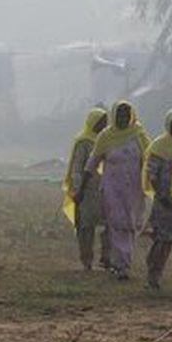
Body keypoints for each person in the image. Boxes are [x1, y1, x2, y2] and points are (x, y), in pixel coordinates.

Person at [81, 101, 149, 281]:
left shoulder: (139, 135)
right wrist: (81, 188)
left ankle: (121, 260)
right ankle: (122, 266)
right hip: (112, 189)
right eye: (119, 116)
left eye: (126, 116)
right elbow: (92, 162)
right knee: (118, 224)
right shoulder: (106, 136)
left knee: (130, 225)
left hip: (134, 189)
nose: (123, 119)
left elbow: (149, 159)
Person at [143, 108, 172, 289]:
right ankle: (153, 276)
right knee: (163, 242)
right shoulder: (159, 147)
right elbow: (152, 175)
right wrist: (162, 197)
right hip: (165, 204)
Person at [63, 107, 110, 271]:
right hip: (88, 190)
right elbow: (77, 168)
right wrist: (77, 189)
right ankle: (87, 260)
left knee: (110, 224)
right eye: (101, 122)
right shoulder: (84, 142)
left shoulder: (109, 140)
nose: (104, 125)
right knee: (86, 227)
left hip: (106, 189)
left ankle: (107, 257)